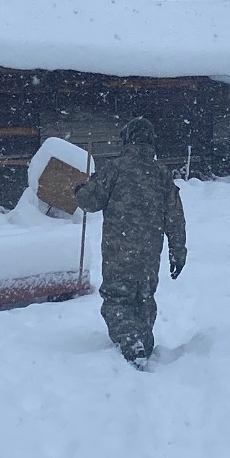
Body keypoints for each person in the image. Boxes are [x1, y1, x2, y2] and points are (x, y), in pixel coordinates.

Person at [72, 115, 186, 364]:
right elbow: (175, 217)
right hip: (149, 254)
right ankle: (143, 343)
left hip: (119, 251)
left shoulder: (115, 169)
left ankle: (132, 344)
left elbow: (90, 201)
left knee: (117, 298)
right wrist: (178, 252)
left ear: (127, 140)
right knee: (144, 297)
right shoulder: (161, 174)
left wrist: (80, 190)